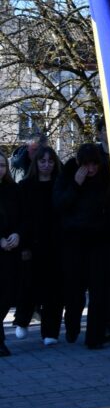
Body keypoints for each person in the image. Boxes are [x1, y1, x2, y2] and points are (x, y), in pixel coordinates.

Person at [53, 143, 110, 350]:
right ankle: (72, 324)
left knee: (100, 290)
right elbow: (59, 205)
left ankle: (95, 337)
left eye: (94, 165)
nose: (91, 169)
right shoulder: (67, 174)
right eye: (86, 165)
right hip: (73, 240)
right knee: (74, 289)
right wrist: (76, 184)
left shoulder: (106, 176)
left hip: (100, 239)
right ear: (78, 163)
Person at [19, 147, 62, 345]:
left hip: (56, 245)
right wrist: (25, 246)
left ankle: (50, 332)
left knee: (54, 290)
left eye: (50, 161)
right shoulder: (26, 186)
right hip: (33, 245)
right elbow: (22, 219)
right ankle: (22, 320)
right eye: (42, 161)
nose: (46, 165)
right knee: (30, 286)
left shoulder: (60, 184)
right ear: (36, 164)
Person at [0, 151, 23, 356]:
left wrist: (17, 234)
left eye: (2, 165)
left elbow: (23, 217)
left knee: (8, 295)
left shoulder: (12, 189)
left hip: (10, 249)